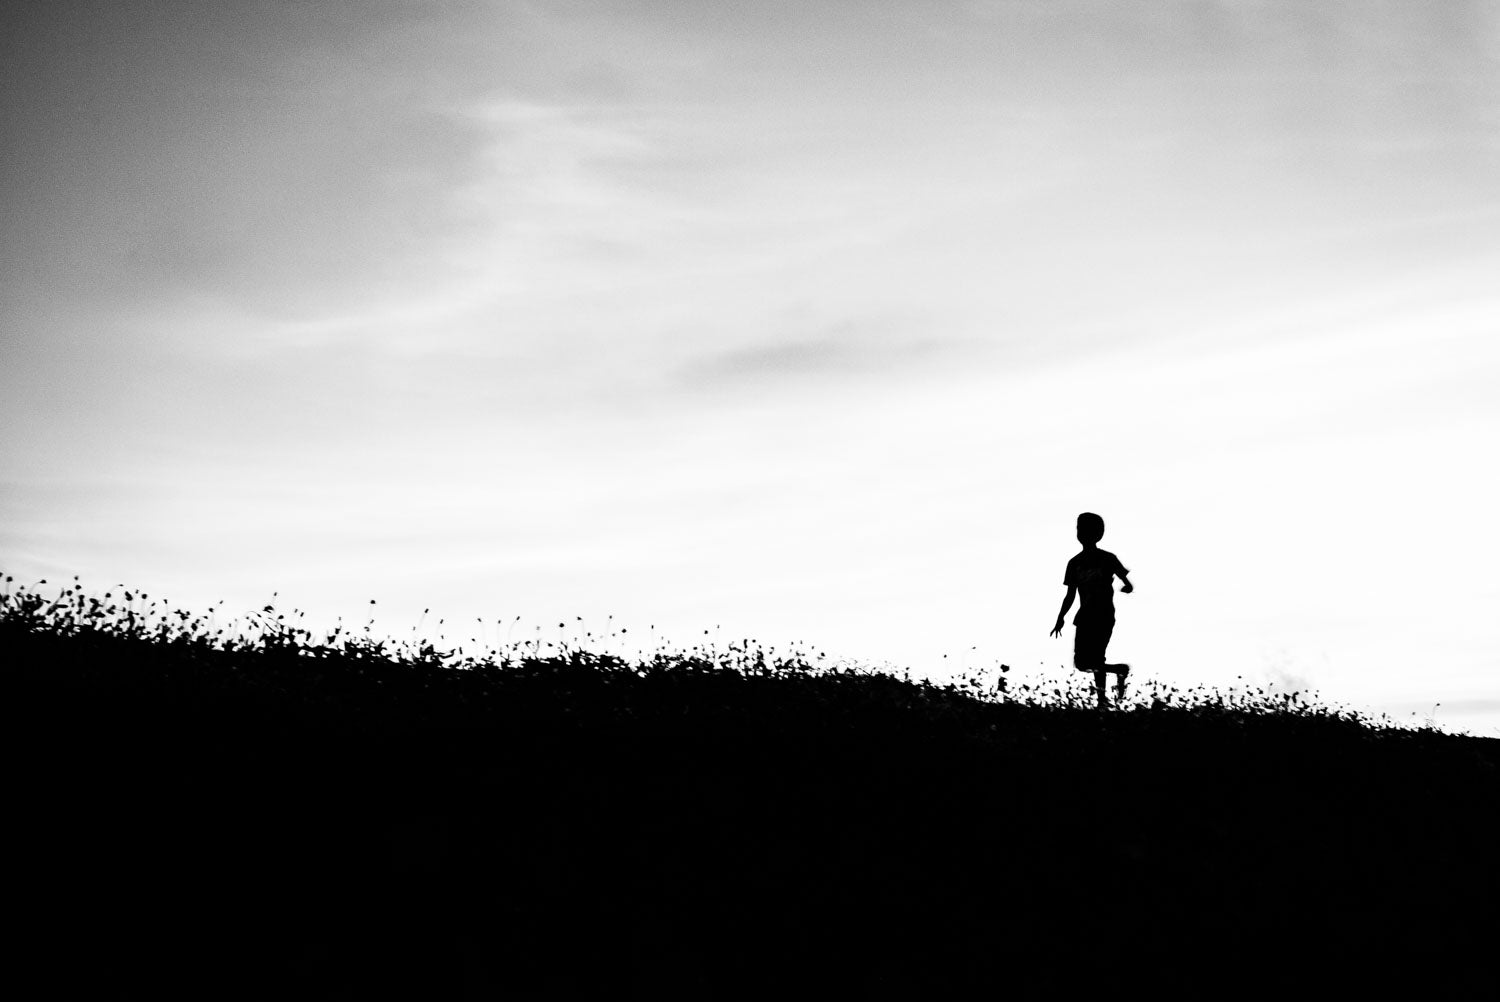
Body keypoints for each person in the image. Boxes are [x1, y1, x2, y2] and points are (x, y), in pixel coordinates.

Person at [1050, 512, 1133, 708]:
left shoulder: (1108, 558)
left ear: (1098, 533)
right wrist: (1061, 617)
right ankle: (1119, 671)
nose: (1081, 533)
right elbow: (1070, 594)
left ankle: (1102, 702)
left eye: (1086, 530)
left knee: (1096, 658)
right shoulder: (1074, 563)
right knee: (1082, 663)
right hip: (1084, 616)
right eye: (1079, 529)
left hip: (1103, 614)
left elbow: (1127, 582)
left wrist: (1126, 587)